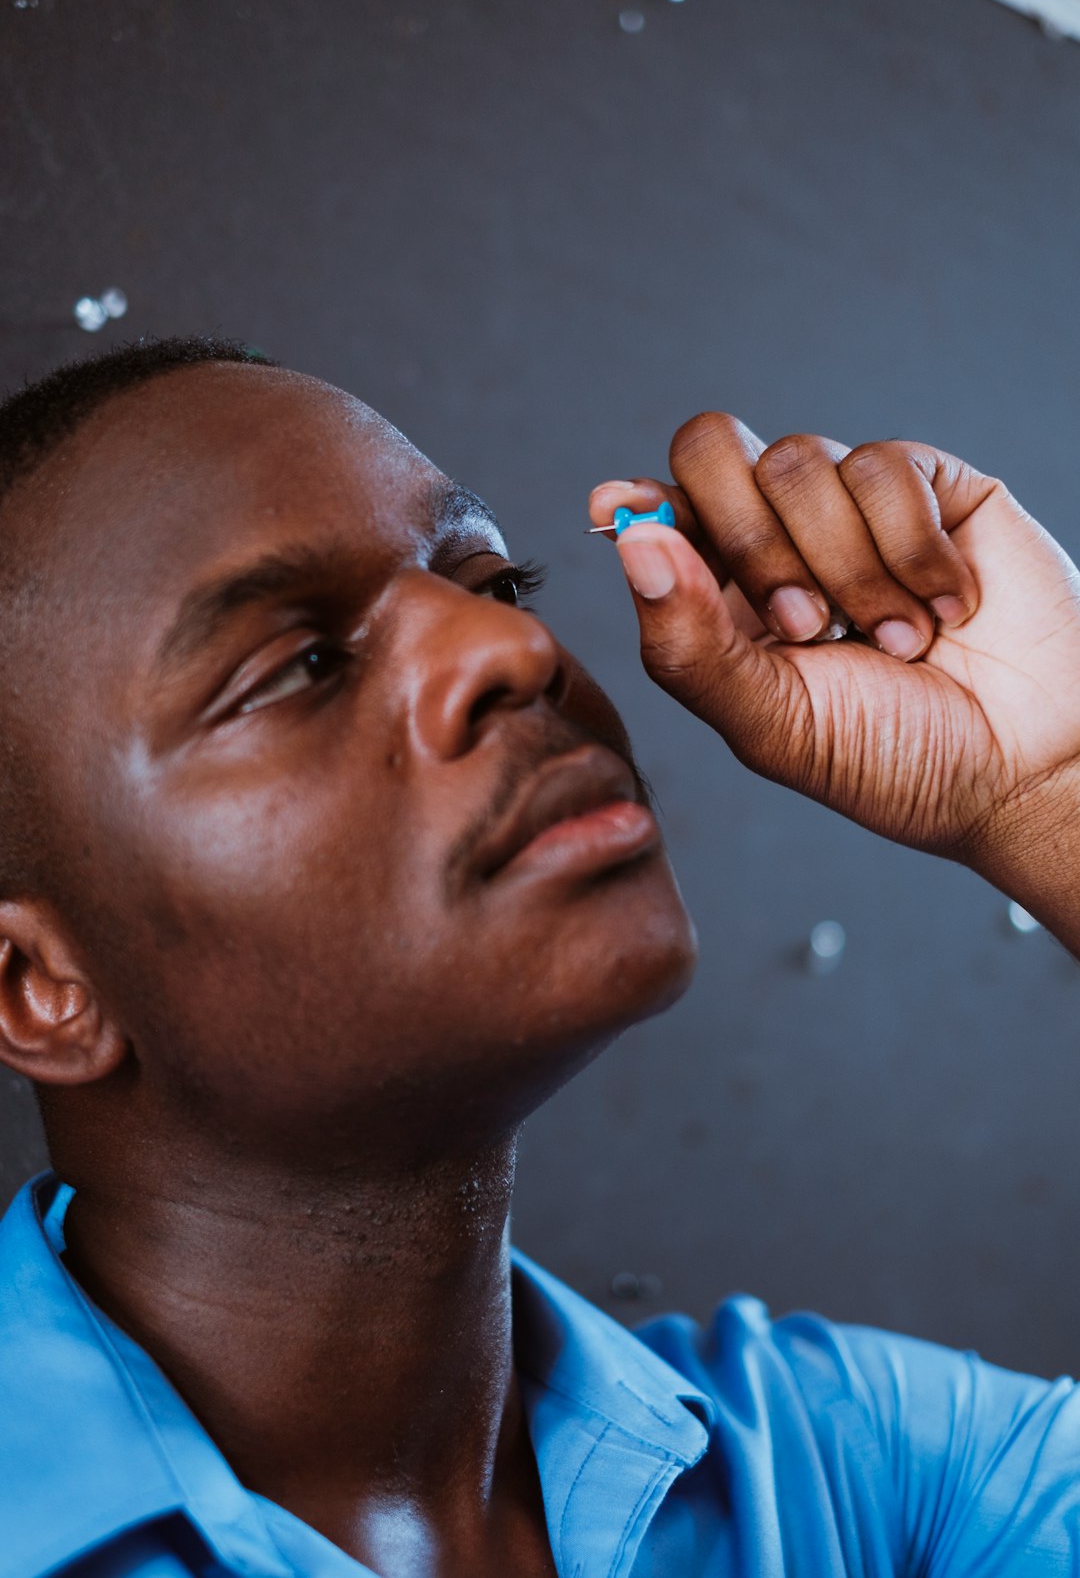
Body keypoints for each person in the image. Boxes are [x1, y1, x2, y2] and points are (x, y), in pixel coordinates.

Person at [0, 336, 1078, 1578]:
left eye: (498, 586)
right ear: (39, 987)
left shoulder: (858, 1481)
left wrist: (1056, 793)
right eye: (299, 667)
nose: (513, 654)